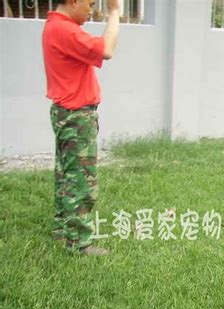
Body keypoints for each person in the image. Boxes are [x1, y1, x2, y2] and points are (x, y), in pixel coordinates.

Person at [42, 0, 119, 255]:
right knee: (81, 179)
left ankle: (63, 229)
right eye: (88, 4)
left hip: (67, 113)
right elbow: (106, 49)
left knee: (66, 172)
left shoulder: (56, 26)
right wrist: (115, 12)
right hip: (76, 116)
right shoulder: (65, 30)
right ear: (73, 1)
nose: (90, 10)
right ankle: (79, 242)